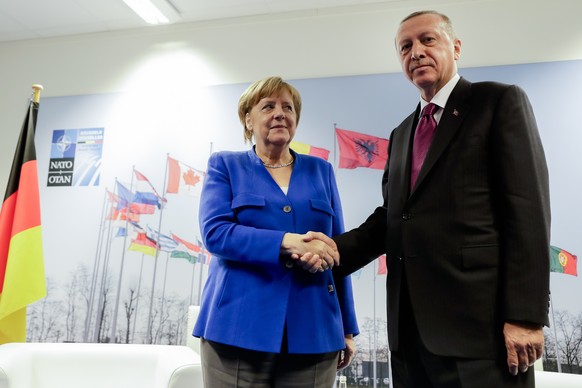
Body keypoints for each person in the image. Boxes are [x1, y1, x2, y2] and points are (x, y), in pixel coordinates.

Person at [302, 10, 551, 388]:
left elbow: (527, 209)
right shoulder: (401, 134)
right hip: (409, 336)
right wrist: (332, 250)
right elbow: (393, 218)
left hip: (481, 334)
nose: (415, 52)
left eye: (427, 40)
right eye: (405, 46)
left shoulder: (497, 102)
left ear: (456, 46)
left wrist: (526, 316)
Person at [193, 76, 359, 388]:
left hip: (314, 330)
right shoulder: (225, 165)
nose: (280, 113)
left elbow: (337, 251)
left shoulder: (321, 170)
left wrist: (347, 328)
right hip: (236, 328)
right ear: (248, 118)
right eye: (268, 106)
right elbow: (216, 234)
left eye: (288, 107)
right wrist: (287, 242)